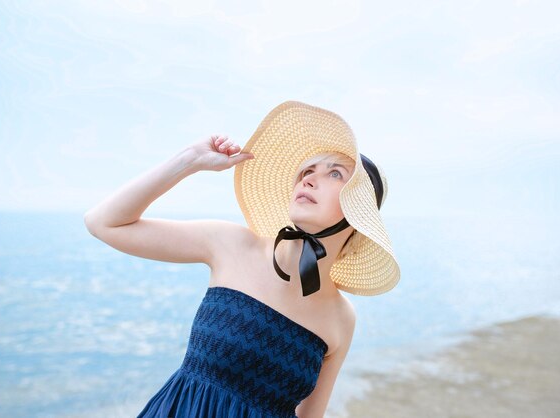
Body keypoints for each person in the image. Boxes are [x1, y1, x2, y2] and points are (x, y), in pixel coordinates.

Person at [84, 100, 400, 417]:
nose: (308, 179)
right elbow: (104, 223)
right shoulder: (231, 244)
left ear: (360, 213)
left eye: (335, 173)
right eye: (307, 170)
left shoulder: (341, 318)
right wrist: (190, 160)